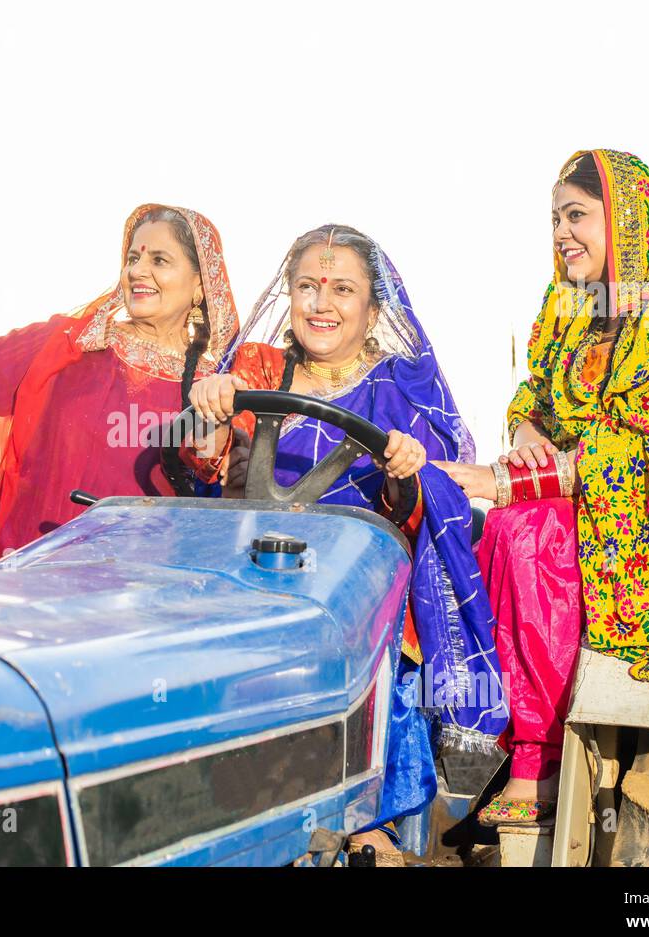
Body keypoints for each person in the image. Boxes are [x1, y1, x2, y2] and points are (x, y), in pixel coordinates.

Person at [433, 149, 649, 826]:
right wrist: (527, 431)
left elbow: (637, 451)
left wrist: (505, 480)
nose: (562, 233)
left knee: (524, 530)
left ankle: (540, 758)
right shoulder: (573, 300)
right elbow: (537, 391)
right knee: (459, 526)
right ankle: (471, 736)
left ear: (625, 220)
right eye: (554, 219)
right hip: (592, 494)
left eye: (577, 215)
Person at [185, 225, 507, 863]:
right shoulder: (250, 369)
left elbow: (420, 510)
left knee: (384, 637)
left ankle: (371, 829)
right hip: (251, 578)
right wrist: (206, 410)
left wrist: (408, 475)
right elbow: (201, 461)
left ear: (375, 310)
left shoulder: (399, 391)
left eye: (341, 289)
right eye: (307, 286)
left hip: (359, 586)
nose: (320, 303)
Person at [0, 204, 238, 576]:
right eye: (133, 257)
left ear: (200, 285)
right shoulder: (68, 345)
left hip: (139, 593)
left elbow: (213, 474)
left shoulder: (212, 383)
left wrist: (216, 418)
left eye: (160, 260)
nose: (137, 270)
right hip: (27, 579)